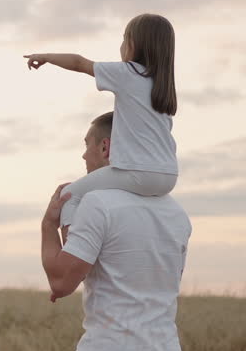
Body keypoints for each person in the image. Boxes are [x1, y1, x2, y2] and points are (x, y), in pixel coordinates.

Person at [40, 111, 192, 351]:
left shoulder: (99, 202)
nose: (83, 155)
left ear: (105, 147)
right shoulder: (176, 212)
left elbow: (61, 282)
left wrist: (48, 225)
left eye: (87, 145)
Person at [25, 13, 179, 230]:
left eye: (124, 39)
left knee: (68, 196)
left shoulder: (127, 73)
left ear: (133, 44)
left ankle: (73, 248)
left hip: (137, 172)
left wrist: (46, 56)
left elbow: (79, 63)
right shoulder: (163, 87)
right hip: (169, 175)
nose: (121, 46)